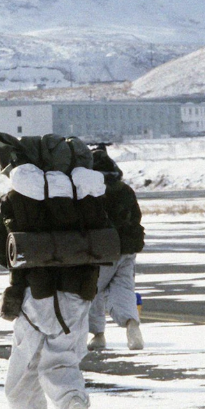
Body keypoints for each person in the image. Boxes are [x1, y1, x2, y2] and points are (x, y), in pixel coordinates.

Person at [0, 132, 104, 409]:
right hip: (79, 294)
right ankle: (76, 405)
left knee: (23, 371)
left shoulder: (15, 197)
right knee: (62, 361)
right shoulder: (87, 194)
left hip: (34, 296)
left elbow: (0, 250)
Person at [87, 144, 146, 351]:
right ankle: (132, 325)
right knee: (124, 289)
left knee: (92, 291)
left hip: (102, 251)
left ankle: (98, 334)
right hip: (128, 249)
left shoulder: (93, 192)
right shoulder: (125, 190)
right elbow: (136, 218)